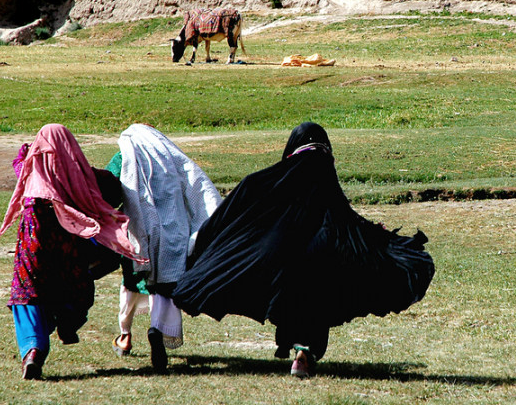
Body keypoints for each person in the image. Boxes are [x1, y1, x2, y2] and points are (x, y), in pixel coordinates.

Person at [173, 122, 435, 378]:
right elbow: (346, 220)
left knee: (291, 290)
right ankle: (304, 353)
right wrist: (379, 236)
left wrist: (200, 248)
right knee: (318, 293)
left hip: (275, 260)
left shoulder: (263, 183)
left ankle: (299, 350)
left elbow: (228, 215)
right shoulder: (324, 178)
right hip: (324, 258)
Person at [0, 124, 141, 380]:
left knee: (29, 298)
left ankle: (32, 352)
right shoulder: (81, 175)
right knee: (72, 289)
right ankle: (65, 323)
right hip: (68, 252)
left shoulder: (30, 171)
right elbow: (111, 189)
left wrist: (25, 154)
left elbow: (19, 165)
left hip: (32, 253)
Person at [108, 123, 222, 372]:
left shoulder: (124, 156)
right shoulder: (171, 156)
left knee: (132, 284)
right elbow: (196, 183)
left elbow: (109, 185)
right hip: (173, 232)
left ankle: (125, 335)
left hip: (140, 232)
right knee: (164, 287)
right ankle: (156, 329)